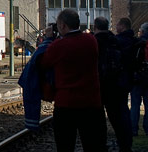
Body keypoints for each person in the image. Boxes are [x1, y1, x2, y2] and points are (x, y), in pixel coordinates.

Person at [38, 8, 107, 152]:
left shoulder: (58, 46)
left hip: (66, 104)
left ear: (62, 25)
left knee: (65, 145)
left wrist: (49, 39)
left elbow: (43, 62)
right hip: (92, 102)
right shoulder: (91, 40)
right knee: (94, 145)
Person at [93, 17, 132, 152]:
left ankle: (100, 145)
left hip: (98, 86)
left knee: (98, 119)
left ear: (95, 27)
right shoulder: (116, 40)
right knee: (117, 118)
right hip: (115, 85)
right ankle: (125, 145)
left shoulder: (93, 42)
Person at [131, 22, 148, 136]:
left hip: (137, 77)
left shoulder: (137, 43)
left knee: (135, 105)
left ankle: (133, 129)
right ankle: (147, 129)